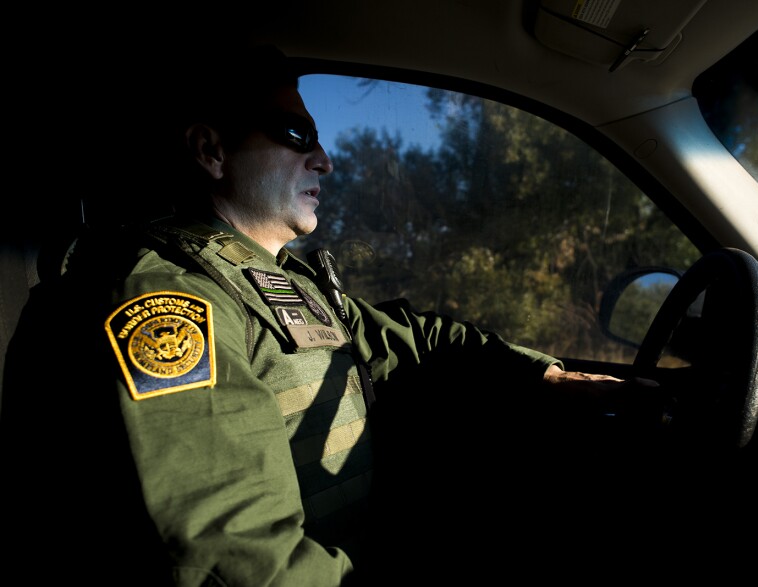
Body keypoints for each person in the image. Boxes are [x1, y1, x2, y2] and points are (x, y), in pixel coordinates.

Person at [0, 43, 660, 585]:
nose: (326, 158)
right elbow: (235, 556)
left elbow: (419, 340)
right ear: (210, 150)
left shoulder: (277, 282)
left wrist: (553, 379)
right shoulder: (168, 300)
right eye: (296, 134)